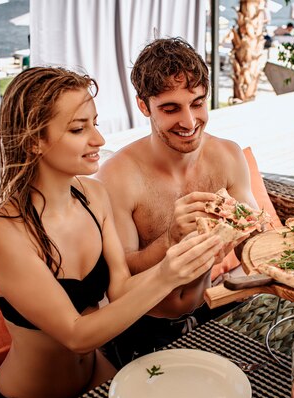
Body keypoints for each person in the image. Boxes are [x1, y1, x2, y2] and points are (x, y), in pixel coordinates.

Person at [0, 66, 222, 398]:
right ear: (34, 141)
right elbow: (77, 335)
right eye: (79, 129)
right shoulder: (3, 233)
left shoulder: (94, 196)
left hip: (97, 378)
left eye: (95, 123)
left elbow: (120, 290)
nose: (99, 140)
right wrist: (169, 274)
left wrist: (182, 253)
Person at [94, 37, 258, 366]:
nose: (189, 121)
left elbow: (253, 242)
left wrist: (251, 235)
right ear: (144, 106)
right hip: (142, 322)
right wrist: (172, 239)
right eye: (171, 109)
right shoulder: (117, 176)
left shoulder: (227, 155)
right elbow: (122, 276)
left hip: (211, 304)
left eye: (197, 103)